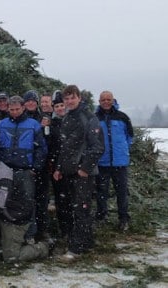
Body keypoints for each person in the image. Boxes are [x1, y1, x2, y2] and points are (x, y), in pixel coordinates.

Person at [53, 85, 104, 263]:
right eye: (66, 99)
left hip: (83, 174)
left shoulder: (89, 118)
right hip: (68, 171)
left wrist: (85, 168)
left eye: (72, 98)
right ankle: (86, 241)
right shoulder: (67, 118)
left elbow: (97, 147)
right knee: (72, 208)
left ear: (79, 98)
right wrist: (59, 168)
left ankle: (76, 248)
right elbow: (64, 147)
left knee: (81, 210)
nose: (69, 101)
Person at [0, 95, 48, 242]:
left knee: (28, 203)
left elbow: (41, 149)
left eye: (17, 109)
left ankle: (30, 235)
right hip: (5, 170)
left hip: (26, 170)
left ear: (23, 107)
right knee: (5, 202)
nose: (14, 112)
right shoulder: (1, 124)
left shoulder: (33, 124)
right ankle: (8, 236)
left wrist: (35, 168)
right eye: (11, 109)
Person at [95, 90, 134, 231]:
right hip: (102, 162)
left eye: (108, 99)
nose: (106, 102)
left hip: (120, 163)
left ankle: (123, 219)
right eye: (103, 100)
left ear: (113, 100)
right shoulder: (95, 118)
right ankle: (101, 217)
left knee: (122, 192)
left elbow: (130, 137)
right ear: (99, 102)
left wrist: (122, 150)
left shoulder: (122, 117)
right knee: (101, 192)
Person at [47, 90, 71, 239]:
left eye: (62, 105)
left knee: (72, 199)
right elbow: (50, 145)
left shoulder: (72, 121)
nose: (60, 108)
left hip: (72, 166)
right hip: (56, 166)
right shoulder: (51, 124)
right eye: (57, 106)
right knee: (60, 199)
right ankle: (64, 229)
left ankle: (74, 228)